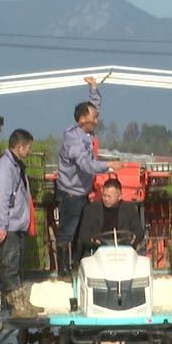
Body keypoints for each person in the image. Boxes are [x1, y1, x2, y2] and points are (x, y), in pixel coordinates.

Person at [55, 76, 122, 276]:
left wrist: (93, 87)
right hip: (71, 194)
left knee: (81, 230)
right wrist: (109, 164)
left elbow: (95, 107)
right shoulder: (74, 141)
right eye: (93, 117)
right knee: (68, 230)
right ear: (83, 120)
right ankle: (64, 270)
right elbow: (87, 165)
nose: (97, 119)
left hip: (82, 191)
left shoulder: (84, 130)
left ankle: (78, 263)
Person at [0, 128, 43, 317]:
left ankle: (22, 302)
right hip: (10, 226)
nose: (29, 151)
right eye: (28, 147)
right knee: (11, 266)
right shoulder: (5, 167)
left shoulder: (16, 165)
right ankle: (16, 306)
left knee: (18, 266)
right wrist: (2, 225)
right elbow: (1, 197)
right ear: (19, 147)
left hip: (16, 224)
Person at [77, 178, 145, 258]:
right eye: (104, 195)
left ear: (119, 197)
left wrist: (133, 239)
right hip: (97, 251)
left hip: (123, 250)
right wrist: (93, 240)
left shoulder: (129, 209)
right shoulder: (91, 210)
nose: (106, 199)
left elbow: (139, 232)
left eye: (109, 196)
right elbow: (83, 234)